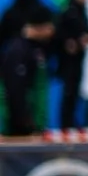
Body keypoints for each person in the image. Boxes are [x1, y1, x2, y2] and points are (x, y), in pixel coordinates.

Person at [2, 7, 54, 137]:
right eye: (49, 27)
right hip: (20, 128)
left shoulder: (35, 49)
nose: (52, 31)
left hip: (32, 124)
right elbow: (15, 90)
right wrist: (26, 124)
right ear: (40, 27)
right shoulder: (18, 50)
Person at [49, 0, 88, 130]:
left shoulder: (82, 11)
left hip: (79, 57)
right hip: (67, 60)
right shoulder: (68, 10)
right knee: (68, 91)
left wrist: (86, 37)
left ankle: (72, 121)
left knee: (74, 91)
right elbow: (58, 32)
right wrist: (68, 42)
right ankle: (65, 123)